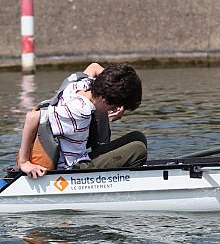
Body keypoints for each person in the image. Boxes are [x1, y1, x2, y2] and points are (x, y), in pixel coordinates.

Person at [17, 63, 147, 179]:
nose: (113, 111)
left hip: (80, 154)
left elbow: (94, 67)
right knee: (138, 149)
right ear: (105, 100)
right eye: (113, 107)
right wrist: (24, 163)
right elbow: (32, 117)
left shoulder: (81, 84)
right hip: (73, 169)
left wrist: (119, 94)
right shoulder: (79, 110)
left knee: (138, 137)